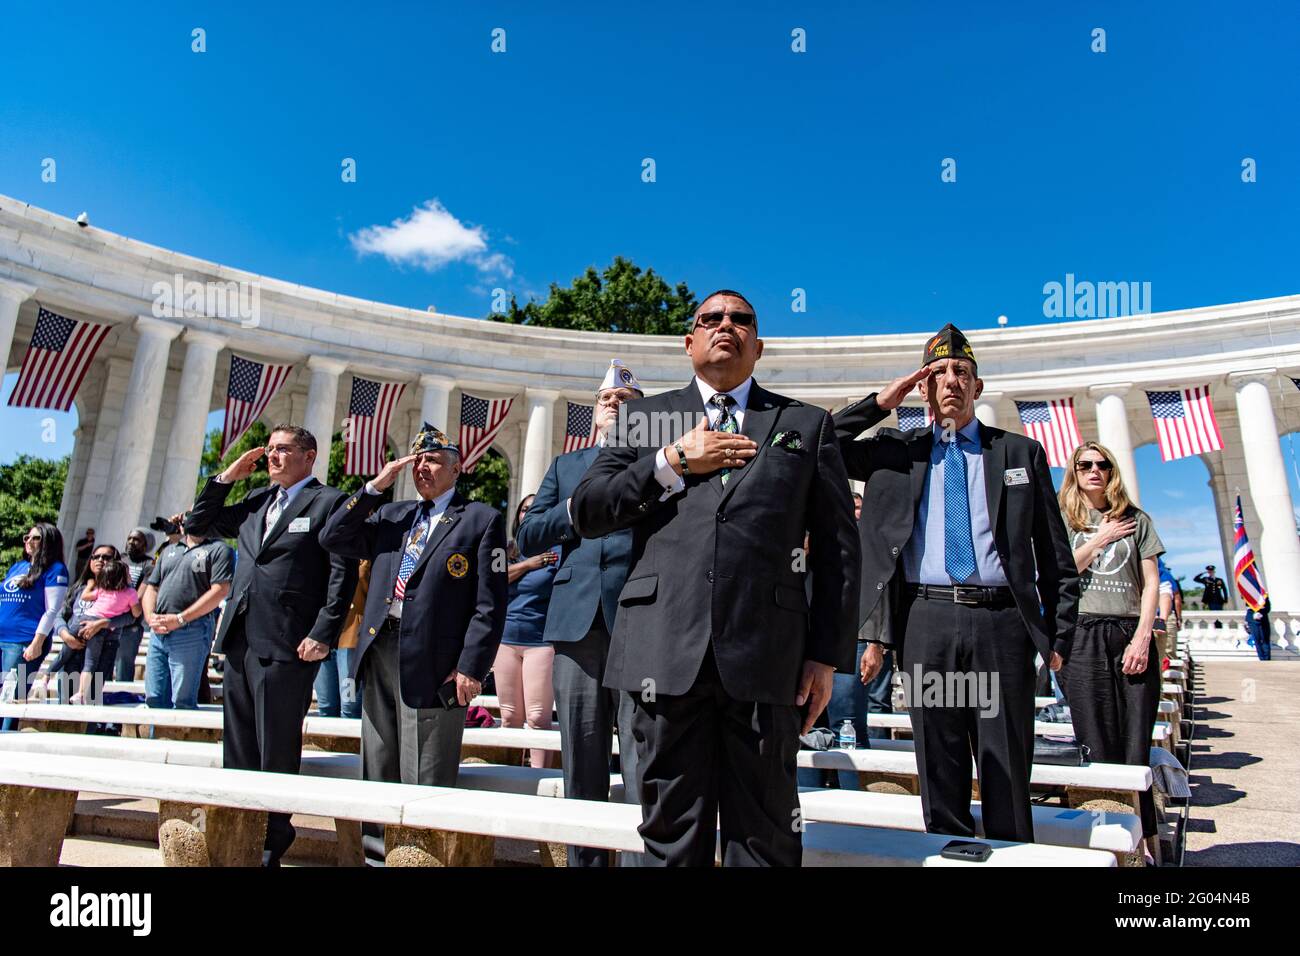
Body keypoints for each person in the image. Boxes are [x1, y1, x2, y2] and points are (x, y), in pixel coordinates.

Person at [571, 290, 860, 866]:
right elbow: (588, 509)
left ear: (759, 344)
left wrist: (826, 656)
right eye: (711, 319)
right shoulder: (645, 418)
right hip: (663, 653)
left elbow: (838, 551)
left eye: (741, 319)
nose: (726, 325)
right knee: (670, 836)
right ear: (689, 342)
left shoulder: (805, 424)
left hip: (767, 658)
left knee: (766, 836)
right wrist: (670, 463)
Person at [836, 323, 1079, 843]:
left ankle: (1012, 850)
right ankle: (948, 851)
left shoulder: (1019, 453)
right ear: (923, 388)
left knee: (1006, 757)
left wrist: (1059, 634)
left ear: (978, 388)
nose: (951, 381)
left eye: (962, 373)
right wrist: (882, 402)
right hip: (926, 619)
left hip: (1002, 622)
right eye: (938, 373)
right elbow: (820, 444)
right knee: (939, 756)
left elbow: (1054, 552)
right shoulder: (895, 451)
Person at [319, 423, 507, 866]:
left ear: (458, 467)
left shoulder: (481, 519)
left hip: (437, 662)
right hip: (380, 647)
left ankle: (420, 859)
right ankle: (376, 859)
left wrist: (471, 667)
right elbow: (332, 536)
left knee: (425, 770)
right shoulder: (392, 515)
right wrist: (374, 488)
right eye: (417, 461)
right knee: (377, 763)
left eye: (434, 460)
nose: (422, 468)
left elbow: (490, 603)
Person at [184, 423, 358, 866]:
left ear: (309, 456)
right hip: (241, 637)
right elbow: (197, 523)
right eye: (271, 451)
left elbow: (341, 574)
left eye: (283, 450)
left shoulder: (329, 502)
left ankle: (270, 845)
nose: (272, 458)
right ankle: (237, 835)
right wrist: (226, 477)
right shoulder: (257, 500)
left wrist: (324, 631)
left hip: (289, 643)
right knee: (238, 746)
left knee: (277, 748)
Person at [515, 359, 646, 866]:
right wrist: (574, 512)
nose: (614, 405)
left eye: (626, 401)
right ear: (593, 412)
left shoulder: (659, 462)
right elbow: (528, 534)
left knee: (641, 760)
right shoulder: (565, 467)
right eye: (606, 400)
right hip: (576, 621)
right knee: (581, 759)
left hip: (640, 619)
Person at [1057, 441, 1165, 853]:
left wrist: (1142, 636)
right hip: (1082, 635)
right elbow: (1063, 571)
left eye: (1102, 464)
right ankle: (1109, 846)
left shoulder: (1136, 519)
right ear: (1074, 471)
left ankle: (1148, 845)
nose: (1094, 471)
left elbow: (1151, 581)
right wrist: (1100, 537)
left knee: (1135, 745)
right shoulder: (1065, 519)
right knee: (1095, 744)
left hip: (1129, 632)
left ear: (1111, 471)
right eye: (1084, 465)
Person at [141, 516, 234, 710]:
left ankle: (178, 737)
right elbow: (152, 587)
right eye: (188, 517)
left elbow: (220, 590)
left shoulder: (219, 549)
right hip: (159, 629)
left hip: (191, 629)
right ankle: (156, 739)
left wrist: (181, 619)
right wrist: (150, 617)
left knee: (182, 699)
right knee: (154, 697)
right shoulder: (169, 549)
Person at [496, 495, 559, 769]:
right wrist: (527, 564)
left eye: (535, 510)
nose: (528, 513)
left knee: (537, 718)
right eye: (524, 509)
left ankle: (539, 781)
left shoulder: (557, 550)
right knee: (509, 717)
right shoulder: (502, 549)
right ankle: (510, 782)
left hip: (540, 641)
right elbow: (492, 579)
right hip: (505, 640)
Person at [0, 524, 69, 727]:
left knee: (12, 694)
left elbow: (52, 610)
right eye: (27, 537)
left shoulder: (56, 569)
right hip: (3, 636)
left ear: (49, 541)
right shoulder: (18, 566)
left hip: (24, 640)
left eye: (36, 538)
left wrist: (37, 642)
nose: (29, 541)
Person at [315, 558, 370, 719]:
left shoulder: (366, 554)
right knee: (325, 705)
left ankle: (352, 745)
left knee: (350, 706)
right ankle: (328, 745)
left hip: (352, 636)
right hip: (322, 636)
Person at [115, 528, 156, 682]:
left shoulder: (149, 564)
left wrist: (122, 609)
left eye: (137, 540)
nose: (131, 542)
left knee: (123, 664)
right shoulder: (118, 558)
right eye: (130, 538)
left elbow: (140, 594)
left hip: (130, 622)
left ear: (146, 544)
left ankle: (121, 696)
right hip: (109, 618)